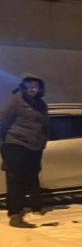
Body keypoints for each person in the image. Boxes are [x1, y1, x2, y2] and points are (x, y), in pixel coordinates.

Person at [0, 75, 49, 228]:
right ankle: (15, 213)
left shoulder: (41, 104)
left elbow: (45, 125)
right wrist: (4, 144)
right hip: (16, 144)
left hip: (34, 146)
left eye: (36, 86)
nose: (33, 89)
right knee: (16, 179)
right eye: (30, 86)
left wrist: (43, 142)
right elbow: (2, 122)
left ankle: (30, 205)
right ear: (24, 86)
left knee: (30, 177)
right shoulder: (15, 101)